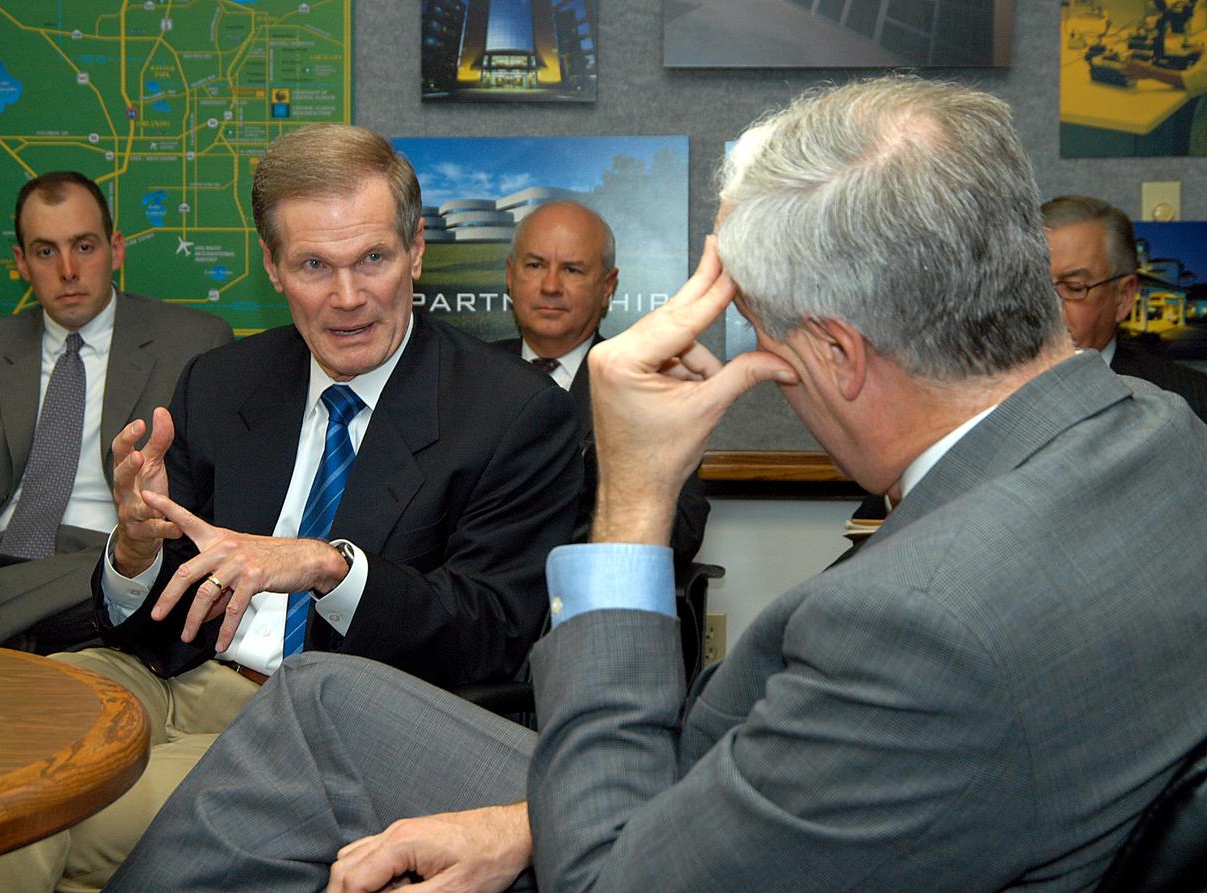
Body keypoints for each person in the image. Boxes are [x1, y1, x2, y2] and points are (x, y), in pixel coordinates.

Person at [107, 77, 1207, 892]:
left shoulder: (918, 628)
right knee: (319, 700)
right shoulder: (1163, 437)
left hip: (654, 846)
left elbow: (615, 879)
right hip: (779, 810)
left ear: (834, 353)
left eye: (764, 338)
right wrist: (519, 821)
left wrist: (631, 500)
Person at [0, 125, 581, 893]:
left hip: (316, 725)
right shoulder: (223, 379)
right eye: (313, 264)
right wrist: (134, 557)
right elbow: (151, 612)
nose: (347, 297)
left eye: (372, 258)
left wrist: (326, 565)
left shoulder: (513, 413)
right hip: (158, 674)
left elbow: (490, 634)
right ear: (272, 266)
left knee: (10, 820)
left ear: (415, 252)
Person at [0, 170, 232, 654]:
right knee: (103, 603)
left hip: (108, 554)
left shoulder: (195, 343)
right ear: (22, 262)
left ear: (116, 248)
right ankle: (15, 615)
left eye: (84, 247)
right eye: (46, 251)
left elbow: (210, 504)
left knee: (130, 580)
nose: (68, 270)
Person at [495, 200, 709, 564]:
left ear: (608, 285)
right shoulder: (457, 377)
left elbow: (682, 534)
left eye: (572, 270)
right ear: (510, 275)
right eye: (535, 265)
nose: (550, 286)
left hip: (588, 599)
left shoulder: (647, 388)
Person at [1042, 193, 1207, 420]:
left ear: (1124, 297)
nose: (1048, 308)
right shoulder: (985, 392)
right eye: (1034, 286)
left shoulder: (1191, 404)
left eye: (1074, 287)